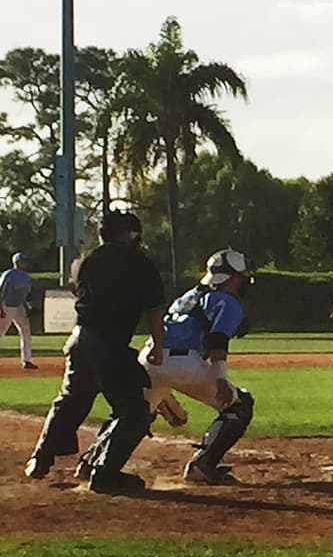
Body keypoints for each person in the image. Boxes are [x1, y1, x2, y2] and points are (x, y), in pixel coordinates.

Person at [24, 210, 166, 493]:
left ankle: (41, 456)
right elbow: (155, 309)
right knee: (135, 411)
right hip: (109, 343)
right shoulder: (140, 263)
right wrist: (158, 345)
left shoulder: (87, 260)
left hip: (80, 339)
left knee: (72, 399)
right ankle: (104, 474)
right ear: (130, 234)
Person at [131, 248, 256, 485]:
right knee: (239, 406)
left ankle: (94, 462)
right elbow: (217, 341)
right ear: (233, 279)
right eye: (242, 277)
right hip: (182, 362)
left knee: (133, 417)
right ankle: (203, 464)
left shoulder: (191, 295)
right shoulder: (227, 300)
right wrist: (219, 377)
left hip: (149, 357)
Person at [0, 251, 37, 370]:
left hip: (19, 306)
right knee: (1, 331)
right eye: (22, 261)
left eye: (24, 261)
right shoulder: (9, 274)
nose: (24, 263)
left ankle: (26, 360)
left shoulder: (26, 277)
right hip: (7, 305)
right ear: (16, 262)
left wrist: (29, 306)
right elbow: (1, 291)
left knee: (26, 331)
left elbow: (26, 294)